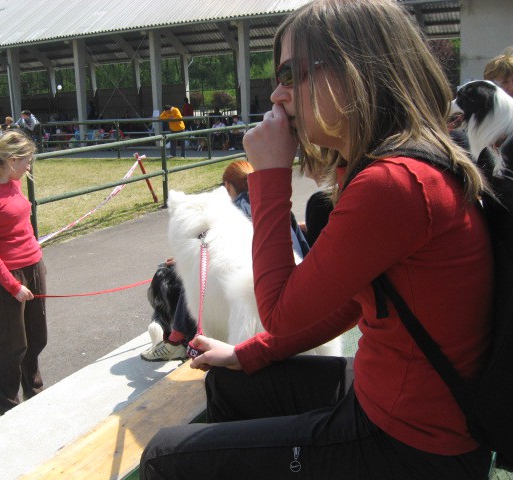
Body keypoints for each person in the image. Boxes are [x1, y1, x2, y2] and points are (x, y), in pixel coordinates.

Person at [140, 1, 493, 479]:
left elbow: (280, 314)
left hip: (411, 444)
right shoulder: (398, 165)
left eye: (290, 74)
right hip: (403, 408)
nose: (278, 95)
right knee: (228, 384)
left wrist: (267, 175)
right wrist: (245, 354)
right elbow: (350, 303)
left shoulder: (393, 183)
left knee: (164, 456)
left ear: (354, 70)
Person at [141, 160, 309, 361]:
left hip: (261, 320)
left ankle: (175, 340)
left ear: (228, 186)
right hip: (299, 298)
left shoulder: (237, 210)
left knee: (198, 282)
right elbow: (304, 249)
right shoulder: (276, 207)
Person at [0, 130, 48, 416]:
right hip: (9, 274)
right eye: (27, 160)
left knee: (37, 336)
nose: (30, 166)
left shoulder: (15, 184)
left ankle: (34, 389)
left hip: (33, 264)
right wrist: (13, 285)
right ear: (12, 160)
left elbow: (23, 226)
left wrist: (36, 259)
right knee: (12, 342)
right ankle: (7, 405)